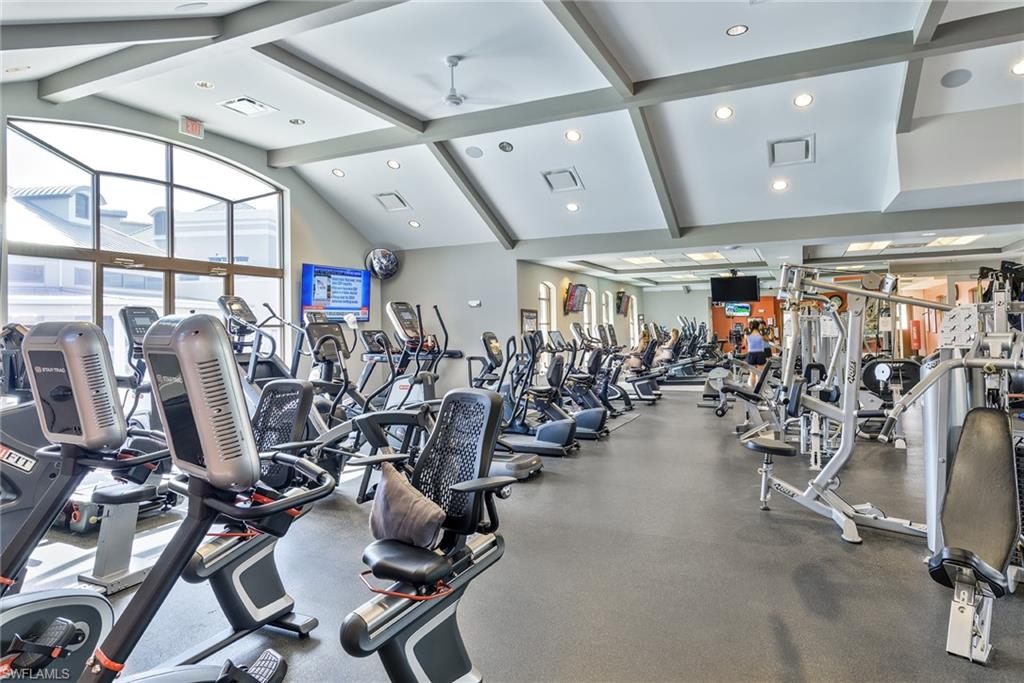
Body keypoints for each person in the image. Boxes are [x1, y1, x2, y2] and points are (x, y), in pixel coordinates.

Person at [745, 320, 767, 386]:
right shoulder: (761, 333)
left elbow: (746, 343)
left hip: (751, 353)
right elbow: (767, 339)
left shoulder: (747, 334)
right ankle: (758, 390)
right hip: (760, 353)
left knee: (752, 373)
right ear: (758, 326)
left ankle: (752, 389)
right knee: (759, 373)